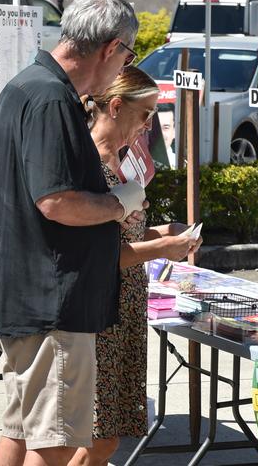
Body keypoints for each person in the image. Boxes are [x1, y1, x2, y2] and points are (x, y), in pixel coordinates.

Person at [0, 0, 146, 466]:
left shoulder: (28, 87)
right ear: (111, 48)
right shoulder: (51, 97)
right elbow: (56, 201)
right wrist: (119, 204)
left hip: (31, 296)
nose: (123, 69)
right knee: (53, 443)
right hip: (54, 302)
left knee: (20, 432)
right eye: (127, 57)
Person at [69, 66, 201, 466]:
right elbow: (102, 253)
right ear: (114, 106)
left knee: (103, 437)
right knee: (97, 438)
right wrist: (163, 247)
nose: (148, 125)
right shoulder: (90, 164)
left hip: (123, 306)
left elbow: (124, 236)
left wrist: (164, 232)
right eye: (145, 114)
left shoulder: (121, 160)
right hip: (99, 310)